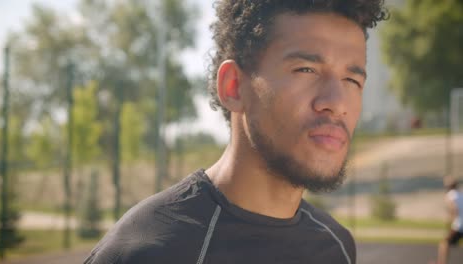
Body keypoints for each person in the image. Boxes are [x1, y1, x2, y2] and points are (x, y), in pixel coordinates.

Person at [85, 1, 387, 263]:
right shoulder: (147, 253)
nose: (336, 103)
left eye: (352, 80)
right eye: (306, 70)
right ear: (234, 87)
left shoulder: (337, 247)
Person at [437, 177, 463, 264]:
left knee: (444, 243)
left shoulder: (450, 195)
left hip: (459, 225)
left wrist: (451, 223)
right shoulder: (460, 195)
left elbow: (454, 209)